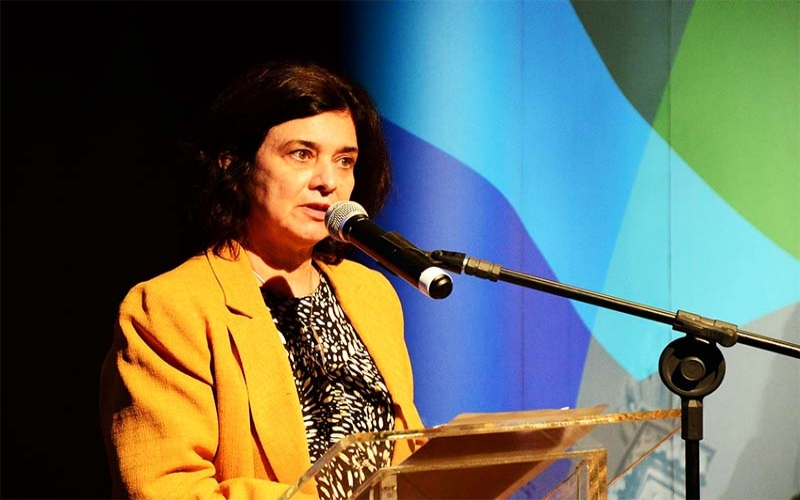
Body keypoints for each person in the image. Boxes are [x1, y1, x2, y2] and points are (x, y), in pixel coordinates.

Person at [99, 60, 426, 500]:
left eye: (344, 160)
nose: (328, 181)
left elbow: (404, 454)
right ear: (234, 164)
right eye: (301, 154)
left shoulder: (370, 294)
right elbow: (166, 488)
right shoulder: (170, 307)